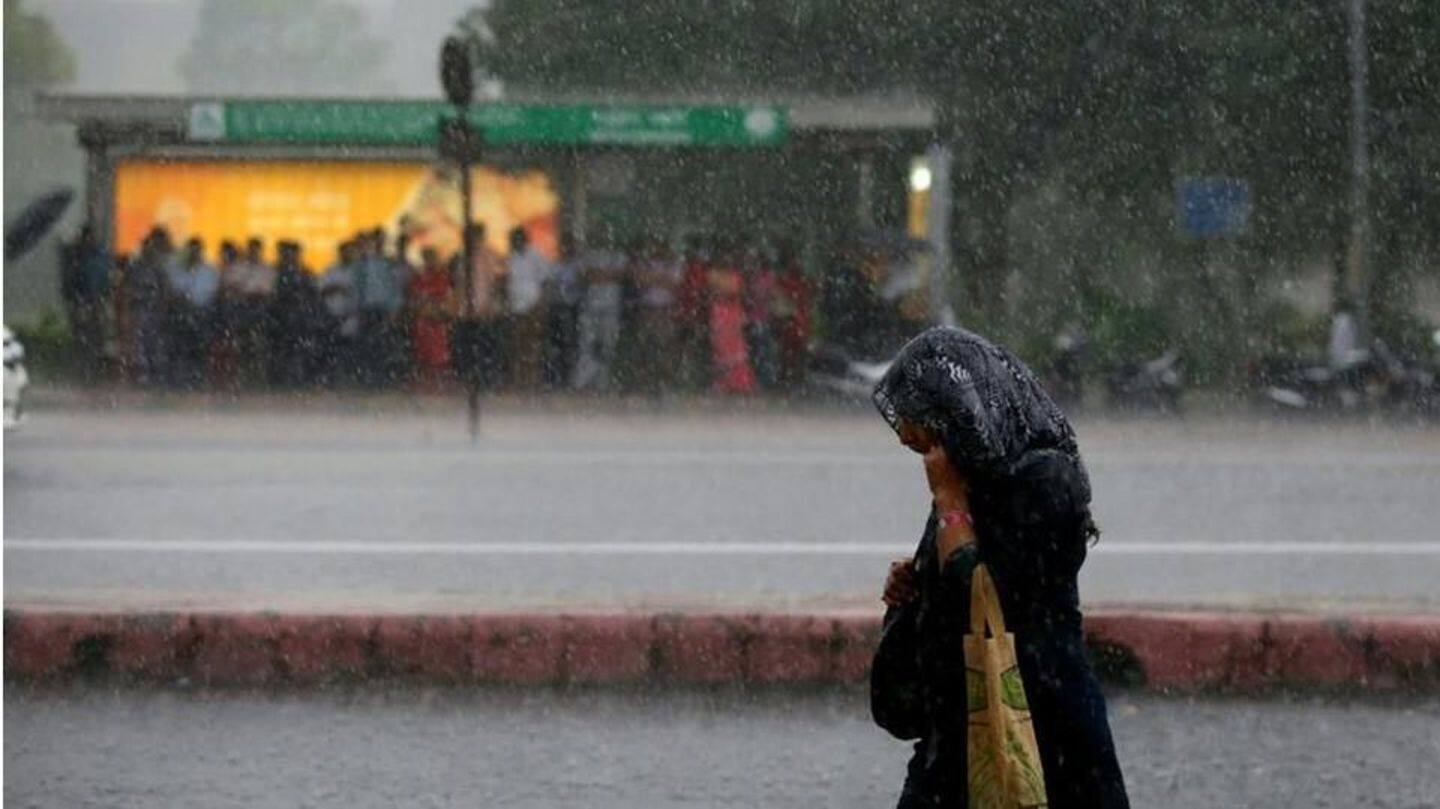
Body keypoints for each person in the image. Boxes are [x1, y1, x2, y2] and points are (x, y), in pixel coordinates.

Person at [872, 326, 1129, 809]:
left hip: (1036, 729)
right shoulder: (972, 474)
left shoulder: (1045, 480)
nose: (907, 435)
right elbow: (951, 586)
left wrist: (949, 504)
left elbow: (989, 599)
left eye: (917, 420)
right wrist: (913, 585)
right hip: (959, 731)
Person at [451, 222, 507, 392]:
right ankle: (470, 379)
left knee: (485, 345)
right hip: (466, 309)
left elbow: (494, 283)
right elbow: (459, 283)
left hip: (484, 308)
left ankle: (486, 379)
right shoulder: (462, 258)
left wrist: (488, 304)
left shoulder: (487, 256)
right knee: (467, 345)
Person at [571, 225, 627, 392]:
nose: (602, 238)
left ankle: (603, 383)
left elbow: (620, 274)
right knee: (587, 344)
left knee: (608, 345)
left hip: (611, 306)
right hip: (590, 307)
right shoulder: (586, 256)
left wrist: (599, 274)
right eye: (598, 234)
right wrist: (605, 274)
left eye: (605, 235)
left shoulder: (618, 256)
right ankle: (582, 382)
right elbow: (585, 276)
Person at [163, 236, 221, 388]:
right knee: (179, 348)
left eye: (196, 250)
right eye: (191, 250)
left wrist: (193, 303)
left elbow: (209, 293)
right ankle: (178, 380)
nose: (194, 253)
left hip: (201, 313)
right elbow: (173, 288)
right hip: (180, 314)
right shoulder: (177, 269)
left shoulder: (209, 270)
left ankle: (197, 379)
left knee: (198, 348)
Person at [59, 224, 112, 382]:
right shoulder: (77, 258)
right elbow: (71, 282)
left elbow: (103, 281)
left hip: (94, 301)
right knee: (83, 336)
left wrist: (101, 297)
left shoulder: (97, 256)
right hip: (82, 301)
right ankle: (83, 371)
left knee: (95, 336)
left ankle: (94, 371)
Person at [353, 229, 405, 387]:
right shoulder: (363, 263)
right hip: (367, 309)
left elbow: (395, 287)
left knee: (383, 344)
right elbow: (358, 287)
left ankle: (382, 377)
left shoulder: (388, 263)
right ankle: (368, 377)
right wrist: (357, 308)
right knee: (367, 344)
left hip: (383, 310)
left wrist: (394, 310)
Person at [706, 239, 756, 394]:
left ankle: (739, 382)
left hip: (733, 313)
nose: (726, 260)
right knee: (721, 348)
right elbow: (715, 292)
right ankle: (723, 382)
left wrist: (730, 293)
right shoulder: (713, 274)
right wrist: (727, 293)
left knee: (737, 349)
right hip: (720, 313)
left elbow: (739, 292)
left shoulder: (735, 275)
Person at [505, 226, 551, 391]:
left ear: (524, 240)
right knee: (517, 344)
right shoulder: (511, 257)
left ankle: (532, 380)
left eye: (517, 240)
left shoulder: (536, 255)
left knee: (533, 344)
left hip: (533, 306)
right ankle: (518, 380)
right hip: (516, 307)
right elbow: (509, 281)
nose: (514, 243)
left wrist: (541, 305)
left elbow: (545, 281)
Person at [634, 238, 682, 395]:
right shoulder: (645, 264)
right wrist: (660, 278)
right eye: (654, 246)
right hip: (648, 310)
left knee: (666, 347)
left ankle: (666, 383)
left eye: (661, 246)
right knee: (645, 347)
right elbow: (640, 281)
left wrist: (653, 278)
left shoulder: (673, 265)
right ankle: (644, 382)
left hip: (665, 310)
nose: (658, 250)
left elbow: (674, 285)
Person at [407, 246, 456, 392]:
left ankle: (439, 387)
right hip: (423, 322)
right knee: (423, 355)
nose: (429, 261)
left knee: (439, 357)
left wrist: (438, 309)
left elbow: (448, 298)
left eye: (431, 258)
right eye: (426, 258)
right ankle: (424, 387)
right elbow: (414, 298)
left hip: (438, 322)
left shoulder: (442, 277)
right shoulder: (419, 278)